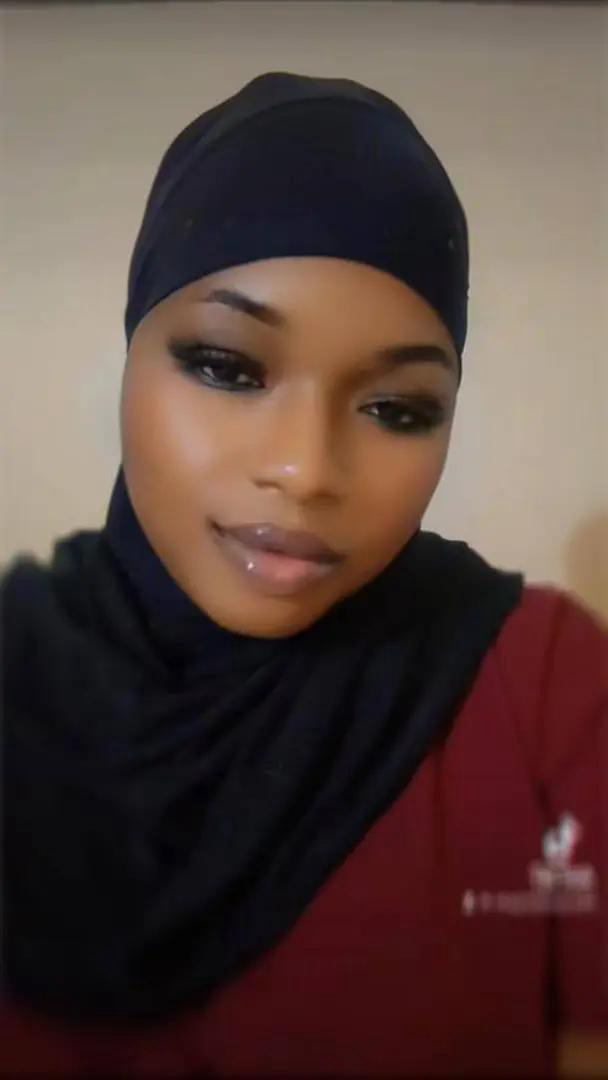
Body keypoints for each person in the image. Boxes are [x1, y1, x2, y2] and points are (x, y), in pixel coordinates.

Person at [1, 70, 606, 1079]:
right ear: (131, 350)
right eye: (227, 367)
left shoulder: (542, 689)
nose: (306, 470)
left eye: (397, 409)